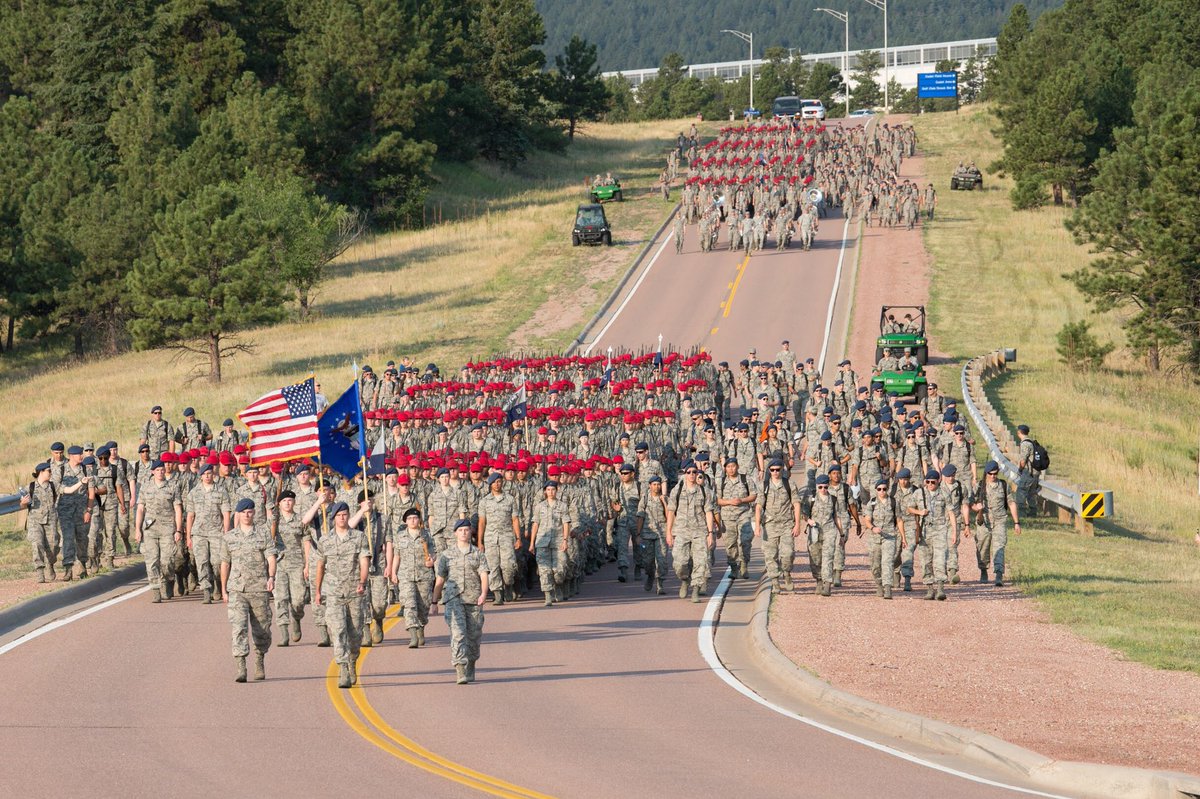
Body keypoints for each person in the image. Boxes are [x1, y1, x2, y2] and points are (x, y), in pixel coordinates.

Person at [314, 501, 370, 689]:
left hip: (355, 591)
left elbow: (364, 562)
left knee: (355, 635)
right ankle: (343, 668)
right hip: (333, 593)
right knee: (338, 632)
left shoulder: (359, 537)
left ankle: (352, 661)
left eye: (345, 514)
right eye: (339, 515)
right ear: (333, 518)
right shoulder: (325, 540)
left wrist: (362, 581)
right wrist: (317, 591)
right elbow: (320, 566)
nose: (342, 517)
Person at [219, 499, 276, 683]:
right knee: (239, 628)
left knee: (263, 630)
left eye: (250, 512)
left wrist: (271, 577)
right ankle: (241, 666)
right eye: (243, 512)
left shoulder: (263, 534)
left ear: (254, 513)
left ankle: (260, 658)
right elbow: (225, 563)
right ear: (238, 514)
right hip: (237, 589)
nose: (246, 515)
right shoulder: (229, 537)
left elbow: (271, 557)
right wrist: (224, 589)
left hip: (259, 588)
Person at [432, 519, 489, 685]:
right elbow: (440, 579)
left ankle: (471, 663)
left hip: (474, 598)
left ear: (471, 532)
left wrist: (484, 593)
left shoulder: (478, 554)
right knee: (458, 634)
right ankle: (460, 668)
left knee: (474, 636)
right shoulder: (446, 555)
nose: (464, 533)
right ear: (455, 533)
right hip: (453, 598)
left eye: (466, 530)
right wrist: (434, 601)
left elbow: (484, 575)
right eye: (460, 530)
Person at [666, 460, 716, 603]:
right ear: (685, 474)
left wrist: (710, 533)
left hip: (700, 531)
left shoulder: (704, 491)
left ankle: (695, 589)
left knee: (701, 561)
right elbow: (671, 511)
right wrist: (668, 532)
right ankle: (685, 579)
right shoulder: (677, 490)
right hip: (681, 531)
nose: (692, 475)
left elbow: (708, 512)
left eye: (695, 472)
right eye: (689, 472)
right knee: (679, 562)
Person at [387, 507, 436, 648]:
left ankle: (421, 627)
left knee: (423, 606)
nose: (412, 521)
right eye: (409, 519)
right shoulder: (400, 536)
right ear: (406, 521)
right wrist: (394, 572)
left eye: (415, 518)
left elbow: (434, 553)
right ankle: (413, 634)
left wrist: (431, 560)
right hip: (406, 575)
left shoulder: (426, 535)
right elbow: (397, 555)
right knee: (409, 605)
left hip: (424, 576)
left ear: (419, 520)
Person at [136, 459, 183, 602]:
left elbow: (177, 509)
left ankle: (168, 580)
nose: (160, 472)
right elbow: (140, 508)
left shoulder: (172, 487)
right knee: (152, 560)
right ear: (152, 472)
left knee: (167, 561)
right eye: (157, 470)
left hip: (168, 528)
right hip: (150, 529)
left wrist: (178, 530)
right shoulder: (146, 487)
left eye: (162, 470)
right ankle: (156, 589)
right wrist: (137, 529)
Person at [185, 462, 231, 605]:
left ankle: (218, 582)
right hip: (199, 533)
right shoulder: (194, 493)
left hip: (217, 533)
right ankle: (206, 590)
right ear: (201, 476)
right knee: (202, 562)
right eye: (204, 474)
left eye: (209, 474)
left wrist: (226, 532)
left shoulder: (221, 491)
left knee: (217, 562)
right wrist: (188, 536)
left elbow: (226, 514)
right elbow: (190, 516)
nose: (207, 476)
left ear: (213, 474)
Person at [755, 459, 802, 593]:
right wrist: (757, 526)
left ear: (782, 469)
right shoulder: (764, 486)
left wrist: (797, 524)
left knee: (788, 553)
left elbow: (796, 504)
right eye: (772, 470)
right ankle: (775, 582)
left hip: (787, 524)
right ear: (769, 471)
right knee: (770, 555)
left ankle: (786, 574)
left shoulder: (790, 484)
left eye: (778, 469)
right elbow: (758, 506)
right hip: (770, 526)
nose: (775, 472)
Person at [971, 461, 1022, 586]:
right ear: (986, 473)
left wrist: (1016, 522)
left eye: (995, 473)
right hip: (984, 521)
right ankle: (983, 570)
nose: (993, 476)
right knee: (982, 547)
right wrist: (977, 508)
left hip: (1000, 521)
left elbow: (1011, 503)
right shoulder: (979, 486)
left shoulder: (1004, 486)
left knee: (999, 547)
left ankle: (999, 574)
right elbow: (970, 503)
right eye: (990, 474)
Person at [477, 473, 520, 604]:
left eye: (499, 481)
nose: (497, 484)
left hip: (507, 537)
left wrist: (518, 538)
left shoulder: (510, 499)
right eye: (495, 482)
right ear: (490, 484)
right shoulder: (484, 501)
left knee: (508, 566)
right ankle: (497, 594)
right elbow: (482, 522)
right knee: (492, 567)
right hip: (490, 538)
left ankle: (508, 585)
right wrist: (480, 541)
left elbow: (515, 520)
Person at [865, 478, 906, 599]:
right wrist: (872, 528)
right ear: (876, 490)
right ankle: (879, 585)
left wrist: (903, 537)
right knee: (875, 565)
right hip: (874, 538)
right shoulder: (871, 503)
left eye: (884, 489)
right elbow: (867, 520)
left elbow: (899, 520)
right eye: (879, 489)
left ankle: (887, 587)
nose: (882, 491)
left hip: (889, 537)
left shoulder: (893, 502)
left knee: (887, 562)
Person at [20, 463, 59, 582]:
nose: (50, 473)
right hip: (35, 521)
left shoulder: (53, 486)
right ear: (41, 472)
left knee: (53, 546)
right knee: (37, 545)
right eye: (49, 471)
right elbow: (21, 505)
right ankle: (40, 571)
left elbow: (65, 490)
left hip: (50, 520)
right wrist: (23, 503)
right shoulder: (30, 487)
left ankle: (50, 564)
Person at [1015, 424, 1041, 517]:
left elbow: (1023, 461)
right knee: (1031, 493)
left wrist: (1020, 470)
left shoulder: (1025, 444)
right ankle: (1033, 513)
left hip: (1028, 472)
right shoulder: (1032, 442)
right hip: (1035, 473)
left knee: (1021, 491)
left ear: (1019, 433)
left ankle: (1022, 514)